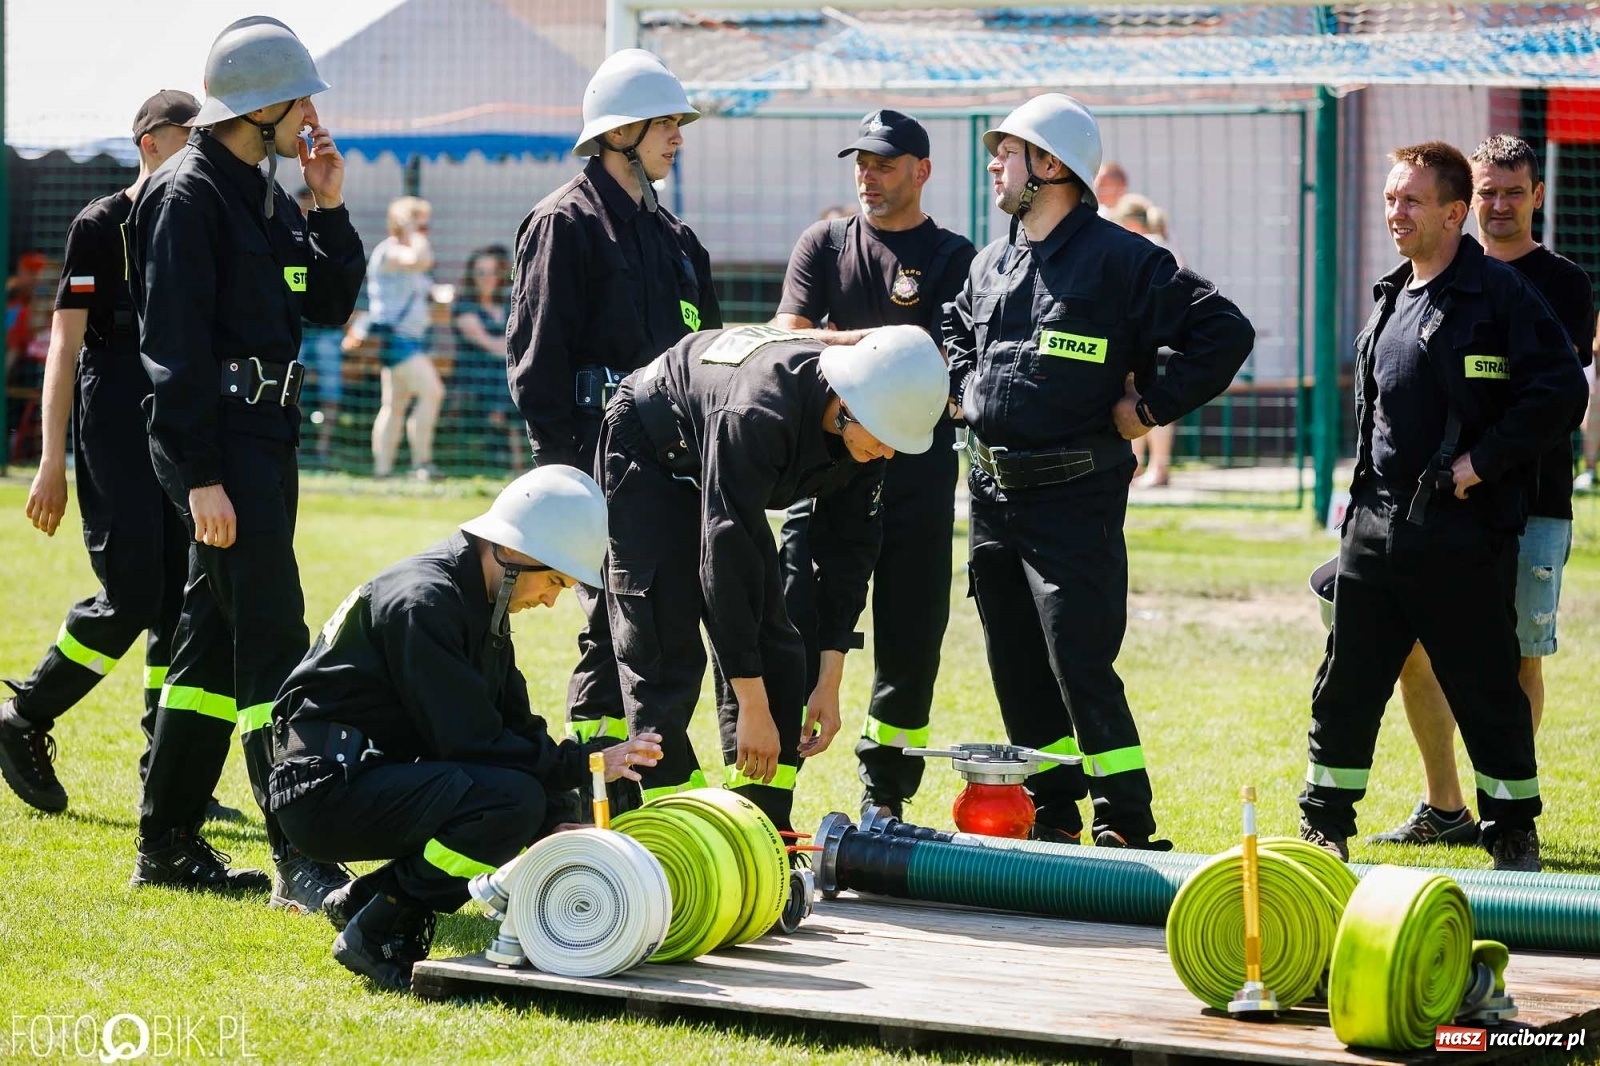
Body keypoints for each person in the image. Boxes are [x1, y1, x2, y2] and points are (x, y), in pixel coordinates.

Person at [945, 94, 1254, 849]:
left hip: (1074, 496)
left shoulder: (1124, 260)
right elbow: (954, 329)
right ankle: (1053, 813)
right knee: (1016, 666)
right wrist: (962, 391)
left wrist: (1148, 406)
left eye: (1007, 152)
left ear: (1049, 166)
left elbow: (1224, 331)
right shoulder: (992, 261)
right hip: (991, 498)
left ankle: (1126, 821)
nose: (994, 164)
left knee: (1078, 662)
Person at [129, 16, 367, 905]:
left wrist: (329, 200)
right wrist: (198, 477)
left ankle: (167, 845)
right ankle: (302, 855)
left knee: (208, 647)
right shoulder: (187, 196)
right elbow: (173, 353)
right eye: (300, 97)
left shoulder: (263, 192)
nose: (310, 113)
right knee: (273, 641)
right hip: (222, 450)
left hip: (266, 441)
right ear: (263, 104)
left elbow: (329, 304)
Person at [1297, 141, 1587, 872]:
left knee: (1488, 689)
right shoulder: (1392, 293)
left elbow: (1560, 391)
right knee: (1347, 685)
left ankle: (1513, 835)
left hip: (1461, 535)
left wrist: (1482, 464)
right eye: (1392, 198)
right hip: (1373, 531)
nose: (1396, 211)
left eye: (1412, 201)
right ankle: (1324, 824)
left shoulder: (1502, 296)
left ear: (1455, 213)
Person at [268, 466, 663, 990]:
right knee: (508, 803)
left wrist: (557, 819)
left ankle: (366, 901)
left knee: (527, 800)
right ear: (515, 555)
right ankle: (381, 926)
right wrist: (584, 763)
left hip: (363, 775)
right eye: (555, 581)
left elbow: (514, 726)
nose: (550, 600)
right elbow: (472, 741)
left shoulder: (475, 603)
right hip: (323, 793)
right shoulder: (425, 603)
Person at [598, 324, 947, 833]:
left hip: (718, 459)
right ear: (849, 404)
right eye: (885, 439)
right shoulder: (759, 413)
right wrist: (751, 707)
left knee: (780, 648)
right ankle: (671, 835)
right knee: (662, 638)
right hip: (649, 449)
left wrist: (828, 683)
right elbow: (727, 558)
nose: (890, 454)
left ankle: (762, 834)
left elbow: (847, 559)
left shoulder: (870, 436)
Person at [1372, 134, 1594, 848]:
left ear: (1537, 196)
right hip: (1434, 508)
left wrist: (1481, 458)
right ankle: (1445, 806)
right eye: (1487, 192)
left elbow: (1544, 396)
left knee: (1517, 652)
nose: (1499, 206)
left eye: (1512, 192)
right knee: (1411, 647)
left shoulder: (1560, 282)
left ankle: (1506, 806)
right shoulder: (1421, 276)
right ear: (1464, 203)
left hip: (1532, 502)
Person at [0, 91, 218, 816]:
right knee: (132, 593)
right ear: (149, 142)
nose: (200, 153)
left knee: (186, 596)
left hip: (181, 408)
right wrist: (51, 459)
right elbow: (64, 345)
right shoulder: (100, 223)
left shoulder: (200, 219)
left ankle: (169, 770)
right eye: (188, 139)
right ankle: (25, 716)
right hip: (117, 411)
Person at [507, 48, 720, 765]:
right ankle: (647, 789)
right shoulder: (563, 223)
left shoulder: (679, 243)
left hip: (676, 475)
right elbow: (537, 370)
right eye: (666, 122)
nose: (679, 136)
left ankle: (602, 785)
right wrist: (568, 488)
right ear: (619, 130)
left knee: (630, 635)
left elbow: (708, 362)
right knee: (641, 636)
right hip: (598, 472)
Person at [770, 109, 976, 819]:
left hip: (917, 474)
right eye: (860, 162)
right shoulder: (823, 244)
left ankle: (884, 799)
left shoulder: (955, 257)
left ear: (921, 171)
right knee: (794, 624)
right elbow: (788, 345)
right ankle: (772, 796)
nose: (868, 176)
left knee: (910, 640)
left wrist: (846, 345)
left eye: (884, 164)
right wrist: (889, 343)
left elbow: (946, 365)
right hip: (822, 468)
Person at [366, 196, 443, 480]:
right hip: (397, 338)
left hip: (410, 338)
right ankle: (421, 464)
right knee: (432, 393)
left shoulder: (404, 252)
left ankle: (382, 471)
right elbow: (422, 260)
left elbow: (424, 284)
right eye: (421, 226)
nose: (426, 233)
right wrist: (413, 233)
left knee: (394, 404)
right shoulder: (391, 252)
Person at [1113, 193, 1183, 489]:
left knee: (1147, 404)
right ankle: (1144, 465)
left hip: (1152, 339)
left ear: (1129, 222)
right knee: (1142, 403)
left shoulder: (1147, 247)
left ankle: (1155, 466)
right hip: (1161, 339)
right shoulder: (1162, 244)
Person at [451, 245, 522, 472]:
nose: (487, 279)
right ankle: (507, 453)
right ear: (472, 276)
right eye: (481, 273)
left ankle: (514, 459)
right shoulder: (464, 307)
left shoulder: (506, 304)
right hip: (475, 376)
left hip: (503, 373)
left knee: (512, 379)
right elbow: (488, 344)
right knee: (508, 380)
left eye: (492, 272)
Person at [296, 187, 346, 466]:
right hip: (300, 330)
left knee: (331, 390)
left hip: (327, 331)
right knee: (292, 389)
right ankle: (296, 444)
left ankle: (324, 449)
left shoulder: (330, 240)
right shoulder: (288, 240)